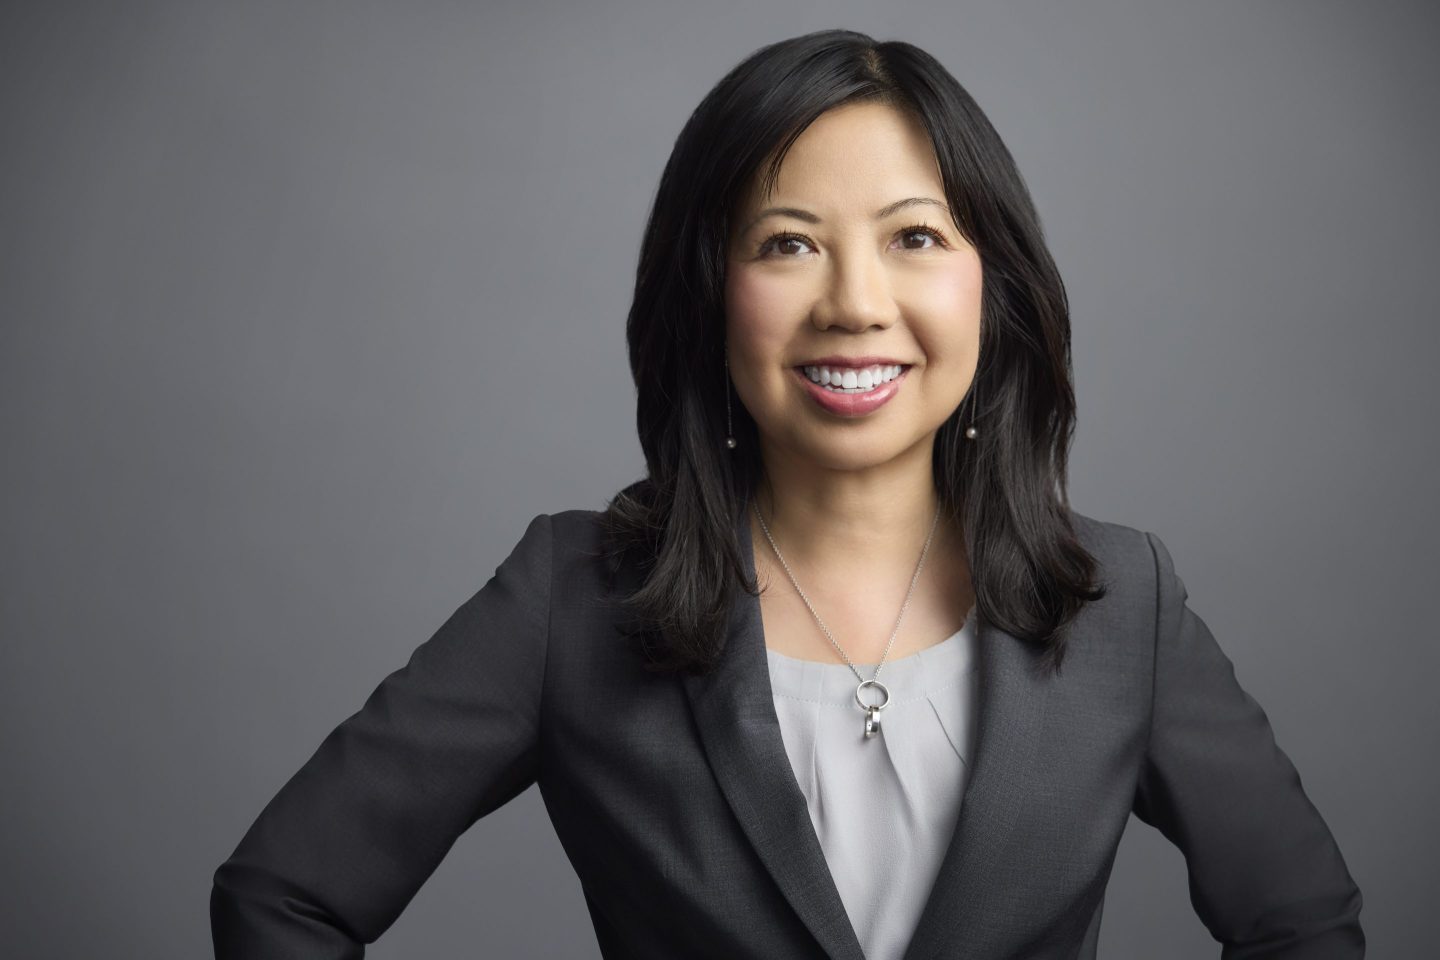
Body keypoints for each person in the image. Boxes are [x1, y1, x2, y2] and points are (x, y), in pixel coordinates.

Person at [210, 28, 1365, 960]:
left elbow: (1304, 926)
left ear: (992, 287)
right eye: (788, 244)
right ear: (709, 293)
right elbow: (285, 898)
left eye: (915, 236)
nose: (856, 303)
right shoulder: (571, 601)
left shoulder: (1129, 609)